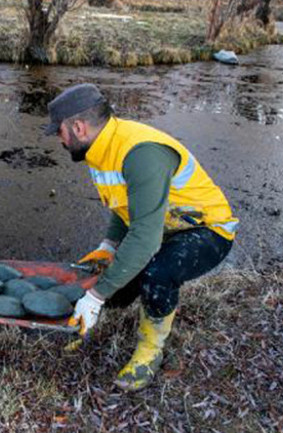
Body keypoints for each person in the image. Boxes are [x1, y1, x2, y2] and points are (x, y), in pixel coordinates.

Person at [45, 83, 238, 391]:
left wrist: (96, 296)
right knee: (112, 275)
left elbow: (146, 239)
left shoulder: (141, 153)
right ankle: (90, 323)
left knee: (156, 274)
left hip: (206, 231)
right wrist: (108, 246)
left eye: (59, 131)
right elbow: (126, 205)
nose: (59, 139)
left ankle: (150, 350)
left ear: (78, 127)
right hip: (164, 226)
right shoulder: (103, 148)